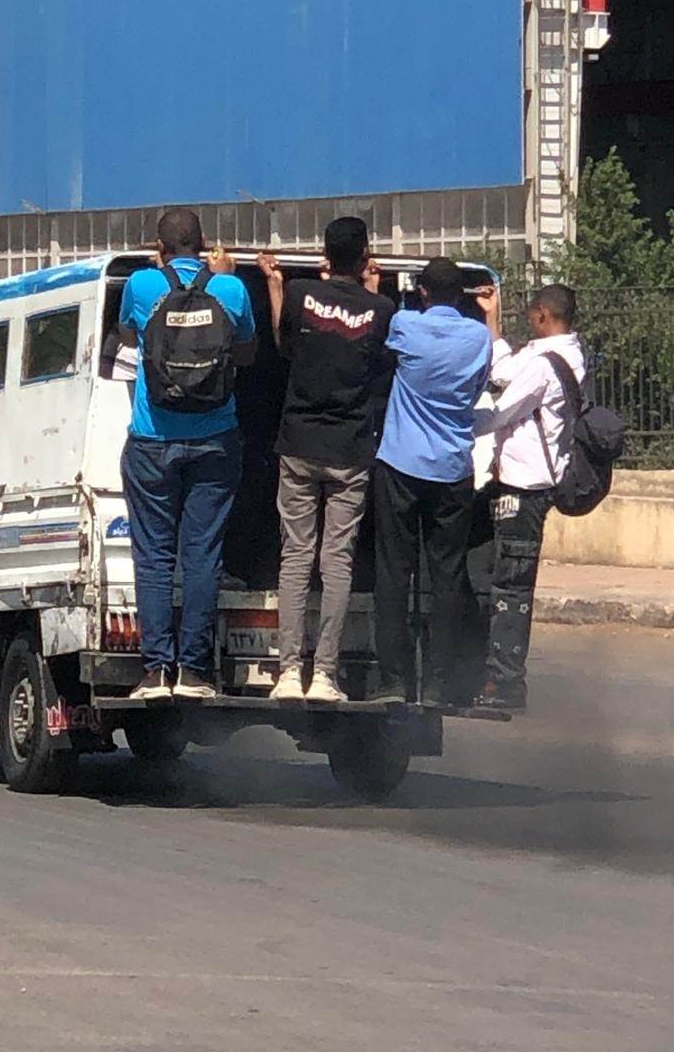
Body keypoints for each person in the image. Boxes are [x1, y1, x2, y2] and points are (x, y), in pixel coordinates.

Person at [120, 208, 256, 701]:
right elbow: (247, 353)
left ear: (159, 248)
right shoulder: (231, 289)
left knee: (154, 557)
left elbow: (130, 337)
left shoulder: (140, 285)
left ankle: (157, 670)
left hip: (152, 438)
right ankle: (194, 672)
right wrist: (224, 278)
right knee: (202, 555)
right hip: (215, 437)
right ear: (204, 244)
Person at [258, 217, 394, 702]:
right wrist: (371, 293)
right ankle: (325, 676)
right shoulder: (382, 309)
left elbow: (284, 345)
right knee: (336, 561)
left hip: (298, 443)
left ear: (325, 256)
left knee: (295, 557)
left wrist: (275, 286)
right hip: (349, 451)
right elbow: (379, 364)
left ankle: (288, 672)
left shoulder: (300, 294)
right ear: (365, 257)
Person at [371, 257, 492, 706]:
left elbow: (381, 354)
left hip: (401, 463)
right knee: (447, 576)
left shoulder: (405, 325)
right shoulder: (478, 337)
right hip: (452, 468)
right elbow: (479, 387)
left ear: (421, 291)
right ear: (460, 295)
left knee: (393, 572)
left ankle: (393, 679)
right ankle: (440, 681)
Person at [472, 284, 586, 710]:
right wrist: (492, 318)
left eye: (531, 315)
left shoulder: (544, 365)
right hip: (516, 485)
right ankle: (483, 669)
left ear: (542, 315)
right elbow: (504, 371)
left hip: (526, 489)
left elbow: (502, 410)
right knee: (487, 570)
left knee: (511, 589)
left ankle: (505, 682)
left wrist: (446, 421)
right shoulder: (561, 354)